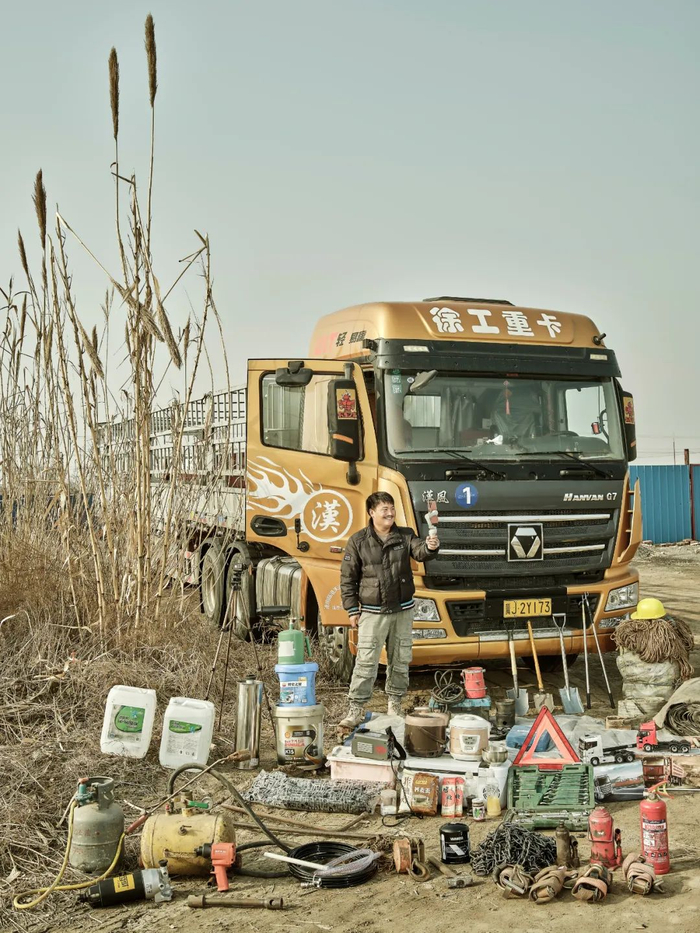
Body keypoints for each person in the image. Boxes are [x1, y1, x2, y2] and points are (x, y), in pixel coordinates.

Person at [338, 491, 440, 731]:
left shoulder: (405, 535)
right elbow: (347, 578)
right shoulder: (358, 541)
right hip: (372, 612)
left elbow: (420, 551)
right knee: (366, 661)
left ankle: (395, 705)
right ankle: (356, 709)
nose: (390, 513)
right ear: (371, 512)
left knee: (401, 660)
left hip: (402, 610)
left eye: (392, 508)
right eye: (384, 509)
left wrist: (430, 546)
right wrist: (352, 609)